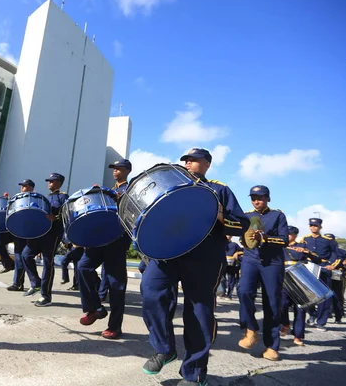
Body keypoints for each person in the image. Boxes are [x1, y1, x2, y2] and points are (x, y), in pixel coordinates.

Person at [141, 148, 250, 386]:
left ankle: (194, 373)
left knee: (199, 313)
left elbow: (242, 225)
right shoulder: (168, 187)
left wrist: (222, 216)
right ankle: (164, 349)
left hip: (204, 258)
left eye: (194, 160)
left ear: (207, 164)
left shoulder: (220, 190)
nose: (189, 164)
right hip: (167, 254)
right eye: (186, 161)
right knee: (150, 293)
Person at [77, 159, 132, 339]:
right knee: (83, 267)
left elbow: (133, 211)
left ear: (127, 171)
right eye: (114, 168)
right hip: (100, 238)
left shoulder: (130, 190)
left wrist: (119, 199)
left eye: (119, 168)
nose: (115, 171)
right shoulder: (108, 190)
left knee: (116, 284)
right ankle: (95, 308)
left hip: (118, 238)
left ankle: (115, 327)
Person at [237, 186, 288, 361]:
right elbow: (242, 237)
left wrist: (264, 238)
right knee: (243, 291)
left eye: (260, 197)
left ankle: (272, 346)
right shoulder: (246, 215)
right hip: (250, 259)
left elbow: (284, 240)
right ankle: (250, 330)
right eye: (253, 197)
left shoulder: (278, 215)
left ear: (268, 198)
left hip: (272, 262)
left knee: (272, 303)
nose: (257, 201)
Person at [21, 173, 68, 307]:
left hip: (52, 235)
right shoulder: (45, 197)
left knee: (48, 264)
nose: (49, 183)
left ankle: (46, 296)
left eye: (52, 181)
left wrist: (56, 217)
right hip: (39, 233)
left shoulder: (63, 197)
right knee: (25, 255)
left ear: (59, 182)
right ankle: (36, 283)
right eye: (48, 181)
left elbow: (67, 215)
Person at [280, 225, 319, 346]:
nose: (287, 236)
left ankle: (298, 335)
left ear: (295, 235)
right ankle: (285, 323)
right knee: (282, 305)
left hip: (299, 279)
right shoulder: (279, 246)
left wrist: (306, 252)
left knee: (300, 309)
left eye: (290, 234)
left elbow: (317, 259)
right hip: (284, 279)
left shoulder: (302, 246)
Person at [301, 218, 340, 331]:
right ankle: (312, 314)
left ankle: (321, 322)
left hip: (323, 268)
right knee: (307, 294)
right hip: (309, 267)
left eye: (316, 226)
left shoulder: (327, 240)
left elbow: (337, 254)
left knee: (324, 296)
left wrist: (333, 265)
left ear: (320, 227)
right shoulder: (305, 239)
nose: (313, 227)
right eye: (311, 225)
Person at [221, 235, 242, 300]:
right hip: (222, 263)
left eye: (229, 235)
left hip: (231, 263)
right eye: (227, 235)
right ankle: (223, 292)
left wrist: (237, 253)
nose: (228, 236)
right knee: (222, 278)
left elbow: (242, 251)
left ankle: (229, 295)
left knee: (231, 279)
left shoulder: (234, 244)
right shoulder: (221, 243)